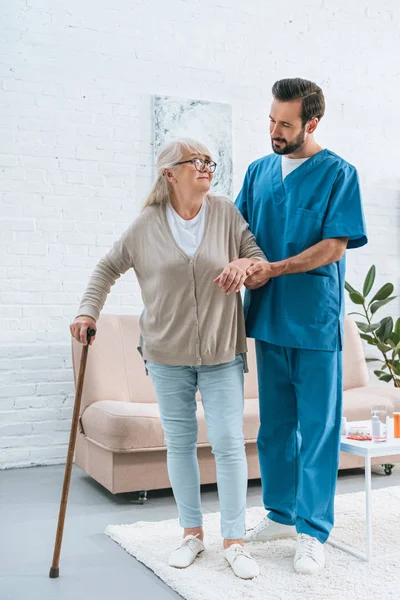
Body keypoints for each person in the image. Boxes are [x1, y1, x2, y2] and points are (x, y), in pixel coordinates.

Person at [70, 138, 266, 579]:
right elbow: (106, 268)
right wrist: (87, 310)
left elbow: (257, 258)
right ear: (169, 174)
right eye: (194, 161)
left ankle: (234, 540)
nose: (205, 167)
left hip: (221, 351)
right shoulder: (146, 225)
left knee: (229, 444)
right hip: (165, 355)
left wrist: (242, 264)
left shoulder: (225, 214)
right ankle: (191, 534)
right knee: (179, 444)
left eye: (209, 161)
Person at [235, 78, 368, 574]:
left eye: (285, 124)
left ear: (312, 123)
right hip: (267, 318)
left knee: (317, 429)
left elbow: (335, 246)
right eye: (271, 119)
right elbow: (239, 231)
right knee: (274, 428)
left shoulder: (339, 174)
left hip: (313, 321)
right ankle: (281, 513)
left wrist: (274, 268)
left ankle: (312, 530)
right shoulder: (258, 172)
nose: (274, 130)